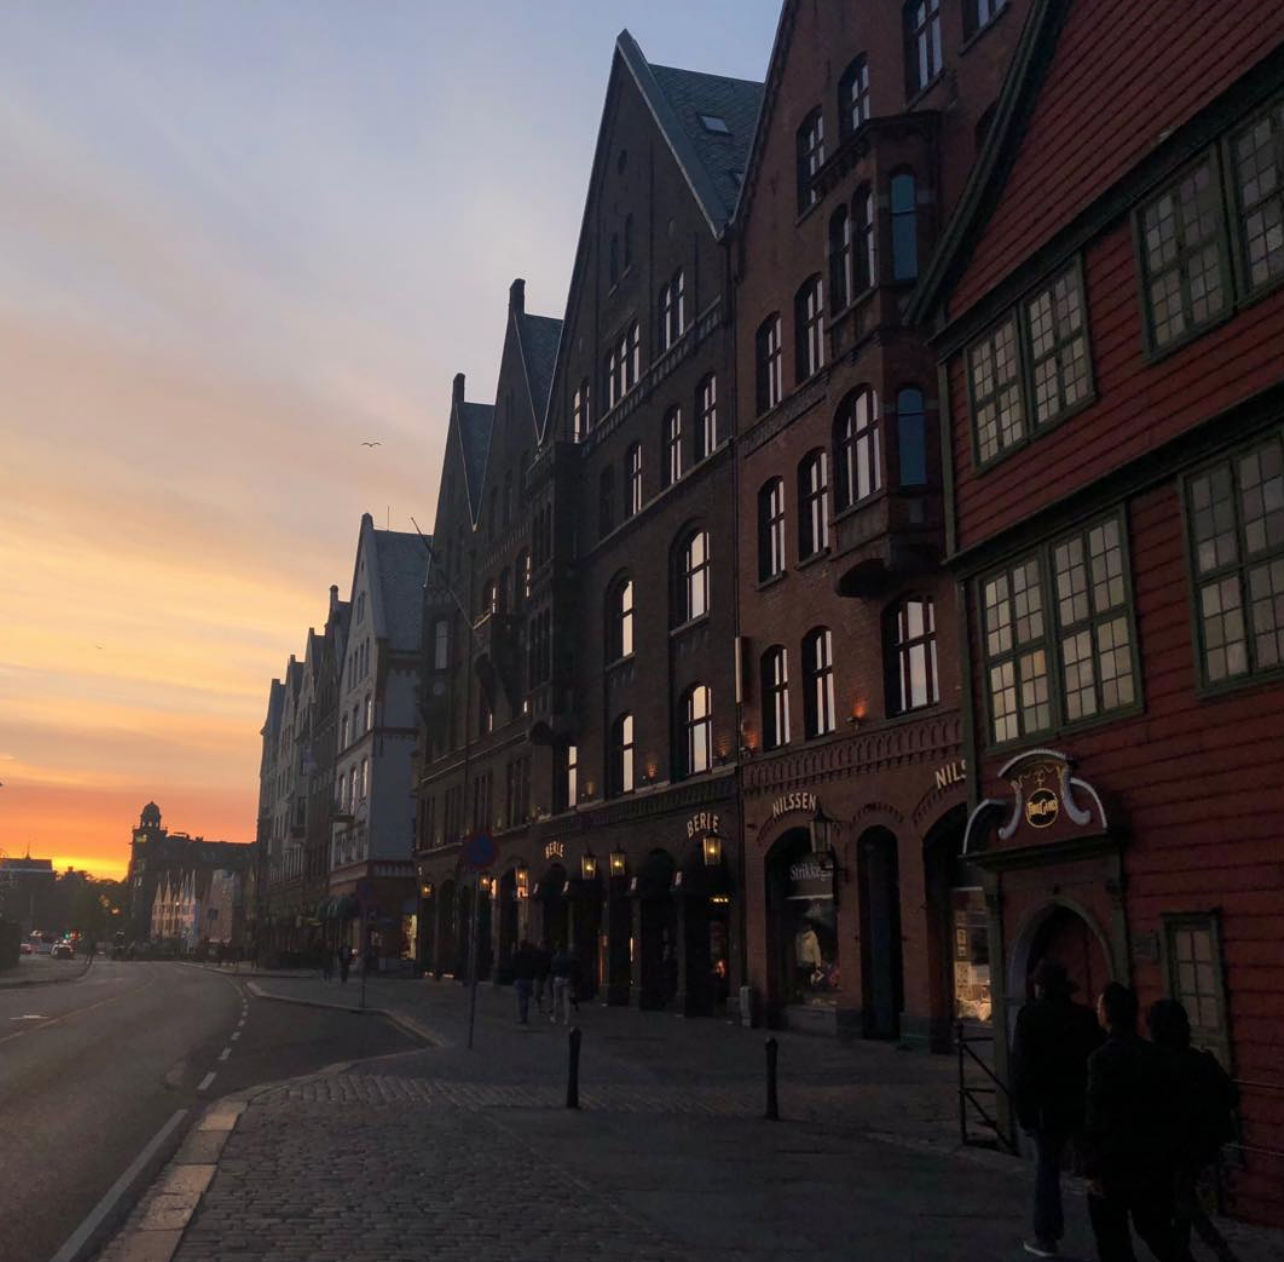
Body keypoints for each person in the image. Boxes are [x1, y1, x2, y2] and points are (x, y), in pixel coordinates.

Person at [1084, 982, 1193, 1262]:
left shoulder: (1102, 1059)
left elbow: (1098, 1115)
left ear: (1107, 1013)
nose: (1097, 1011)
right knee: (1157, 1231)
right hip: (1151, 1160)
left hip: (1114, 1162)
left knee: (1113, 1240)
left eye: (1100, 1006)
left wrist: (1092, 1167)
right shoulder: (1154, 1055)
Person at [1011, 958, 1104, 1258]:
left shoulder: (1030, 1017)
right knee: (1095, 1170)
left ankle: (1047, 1237)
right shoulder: (1085, 1017)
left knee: (1047, 1171)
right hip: (1080, 1103)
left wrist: (1023, 1111)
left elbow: (1022, 1069)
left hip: (1046, 1107)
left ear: (1039, 987)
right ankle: (1109, 1235)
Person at [1147, 999, 1240, 1262]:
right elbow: (1231, 1095)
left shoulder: (1154, 1063)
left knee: (1183, 1204)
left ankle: (1221, 1253)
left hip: (1171, 1147)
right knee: (1184, 1204)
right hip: (1202, 1144)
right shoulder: (1200, 1061)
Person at [512, 940, 537, 1024]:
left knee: (521, 999)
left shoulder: (517, 955)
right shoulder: (531, 956)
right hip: (528, 979)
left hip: (520, 979)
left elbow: (514, 967)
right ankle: (524, 1016)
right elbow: (533, 967)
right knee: (526, 999)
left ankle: (523, 1017)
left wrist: (515, 978)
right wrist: (532, 977)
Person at [550, 943, 575, 1025]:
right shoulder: (568, 958)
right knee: (566, 1000)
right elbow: (571, 969)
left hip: (557, 978)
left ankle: (554, 1017)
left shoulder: (555, 957)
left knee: (556, 999)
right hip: (566, 979)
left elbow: (553, 969)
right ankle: (566, 1019)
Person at [533, 940, 552, 1014]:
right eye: (541, 945)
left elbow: (550, 964)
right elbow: (533, 963)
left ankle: (548, 1008)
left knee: (547, 993)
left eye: (543, 945)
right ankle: (539, 1007)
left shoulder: (548, 954)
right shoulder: (536, 954)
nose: (542, 947)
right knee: (537, 994)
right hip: (538, 975)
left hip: (546, 975)